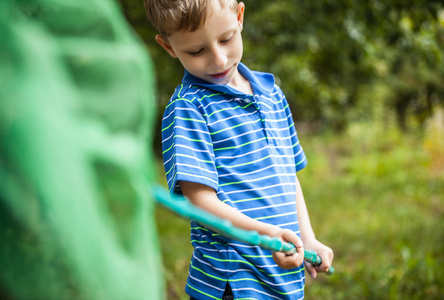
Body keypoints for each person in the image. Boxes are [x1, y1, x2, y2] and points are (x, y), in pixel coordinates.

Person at [144, 1, 334, 299]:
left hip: (282, 275)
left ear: (240, 17)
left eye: (226, 39)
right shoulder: (189, 107)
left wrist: (307, 238)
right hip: (232, 279)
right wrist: (265, 234)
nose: (218, 60)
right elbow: (200, 201)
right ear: (168, 46)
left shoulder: (271, 94)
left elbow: (287, 176)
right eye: (196, 51)